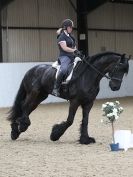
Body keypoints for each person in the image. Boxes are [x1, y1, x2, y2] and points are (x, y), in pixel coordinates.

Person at [52, 19, 81, 96]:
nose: (71, 29)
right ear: (65, 28)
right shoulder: (61, 37)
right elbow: (64, 48)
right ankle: (56, 88)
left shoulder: (71, 37)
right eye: (70, 27)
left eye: (72, 27)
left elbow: (74, 47)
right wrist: (74, 51)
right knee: (64, 69)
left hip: (72, 56)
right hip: (64, 57)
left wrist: (77, 52)